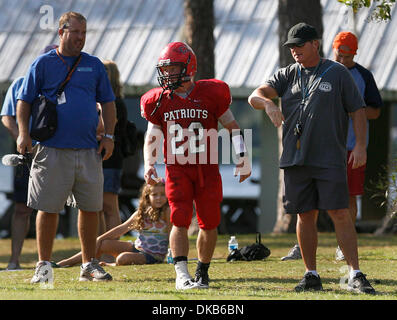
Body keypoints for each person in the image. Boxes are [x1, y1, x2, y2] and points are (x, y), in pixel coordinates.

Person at [248, 23, 375, 294]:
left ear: (315, 44)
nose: (294, 50)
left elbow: (359, 111)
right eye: (291, 46)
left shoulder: (338, 73)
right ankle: (311, 274)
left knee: (341, 213)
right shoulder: (287, 74)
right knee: (304, 215)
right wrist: (269, 103)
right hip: (295, 159)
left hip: (330, 157)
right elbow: (254, 96)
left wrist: (361, 146)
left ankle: (355, 273)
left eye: (300, 45)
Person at [141, 42, 251, 290]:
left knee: (209, 222)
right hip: (177, 167)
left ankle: (202, 270)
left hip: (207, 167)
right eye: (165, 69)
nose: (167, 74)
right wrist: (149, 163)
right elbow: (152, 136)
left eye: (172, 68)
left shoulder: (211, 93)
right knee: (179, 217)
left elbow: (233, 128)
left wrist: (243, 157)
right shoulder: (158, 100)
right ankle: (181, 274)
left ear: (188, 67)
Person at [16, 11, 117, 282]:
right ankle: (44, 267)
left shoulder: (94, 65)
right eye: (75, 33)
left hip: (88, 149)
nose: (80, 39)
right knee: (47, 208)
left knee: (91, 208)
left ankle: (89, 265)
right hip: (51, 149)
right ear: (61, 32)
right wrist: (23, 134)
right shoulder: (42, 64)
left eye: (84, 33)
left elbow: (108, 103)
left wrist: (109, 136)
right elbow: (23, 101)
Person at [281, 31, 383, 262]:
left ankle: (343, 247)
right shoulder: (320, 71)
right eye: (340, 54)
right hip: (319, 148)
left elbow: (375, 111)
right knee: (308, 205)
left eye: (348, 56)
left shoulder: (363, 75)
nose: (343, 60)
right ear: (333, 49)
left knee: (349, 197)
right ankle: (302, 247)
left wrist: (345, 104)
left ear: (354, 54)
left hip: (349, 146)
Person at [0, 45, 58, 270]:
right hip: (26, 156)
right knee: (22, 207)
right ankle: (14, 260)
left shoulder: (68, 86)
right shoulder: (21, 83)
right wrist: (22, 138)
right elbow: (7, 116)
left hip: (57, 153)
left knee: (51, 207)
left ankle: (47, 260)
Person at [56, 180, 170, 267]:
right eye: (155, 195)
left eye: (162, 194)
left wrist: (172, 257)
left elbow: (171, 234)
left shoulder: (167, 212)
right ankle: (68, 263)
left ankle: (112, 265)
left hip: (152, 256)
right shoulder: (141, 213)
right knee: (101, 244)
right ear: (147, 197)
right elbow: (122, 228)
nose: (159, 198)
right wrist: (100, 238)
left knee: (122, 258)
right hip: (137, 248)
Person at [97, 60, 129, 234]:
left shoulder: (115, 103)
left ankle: (110, 250)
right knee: (96, 207)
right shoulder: (100, 101)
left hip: (110, 160)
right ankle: (99, 249)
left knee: (109, 205)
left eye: (105, 70)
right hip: (98, 159)